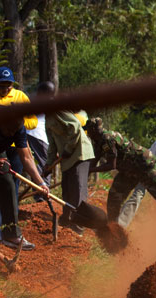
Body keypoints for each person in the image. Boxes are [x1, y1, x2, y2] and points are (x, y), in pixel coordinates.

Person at [84, 118, 156, 234]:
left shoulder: (108, 138)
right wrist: (86, 172)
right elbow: (95, 158)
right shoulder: (98, 140)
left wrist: (91, 169)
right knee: (114, 194)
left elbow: (111, 165)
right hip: (129, 170)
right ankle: (112, 228)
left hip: (145, 165)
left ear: (93, 130)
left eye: (88, 131)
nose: (88, 133)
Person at [0, 66, 38, 240]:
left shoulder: (20, 97)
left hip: (14, 147)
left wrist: (17, 127)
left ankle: (9, 229)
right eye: (1, 86)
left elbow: (33, 121)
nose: (5, 89)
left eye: (8, 85)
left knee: (11, 185)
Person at [0, 111, 49, 250]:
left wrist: (40, 182)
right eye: (9, 130)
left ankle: (11, 235)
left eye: (14, 131)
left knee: (9, 184)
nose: (11, 134)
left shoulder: (18, 128)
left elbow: (26, 158)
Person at [43, 82, 94, 236]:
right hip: (67, 157)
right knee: (67, 189)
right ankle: (66, 221)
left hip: (79, 153)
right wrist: (48, 165)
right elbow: (52, 145)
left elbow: (76, 128)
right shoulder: (47, 117)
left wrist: (67, 150)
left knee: (77, 189)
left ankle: (79, 226)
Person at [27, 82, 53, 202]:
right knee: (44, 166)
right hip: (38, 136)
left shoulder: (31, 99)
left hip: (28, 134)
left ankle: (39, 194)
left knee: (36, 165)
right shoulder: (44, 102)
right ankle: (43, 196)